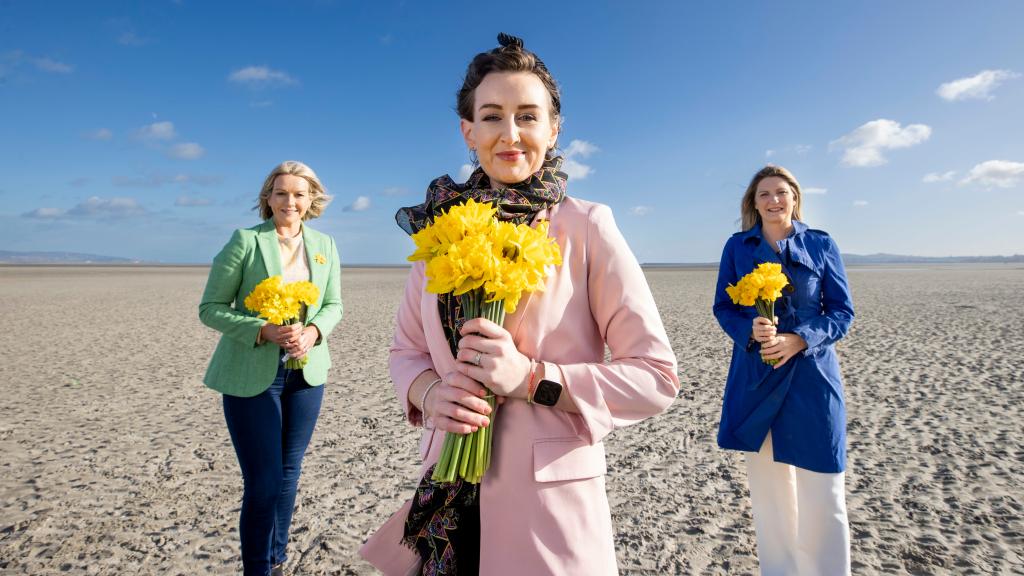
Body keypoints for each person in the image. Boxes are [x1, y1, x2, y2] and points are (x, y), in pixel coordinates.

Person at [359, 33, 679, 575]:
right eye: (492, 116)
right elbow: (406, 351)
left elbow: (655, 377)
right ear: (468, 132)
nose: (510, 134)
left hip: (548, 507)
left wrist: (533, 379)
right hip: (449, 497)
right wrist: (432, 393)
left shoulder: (586, 226)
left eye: (528, 116)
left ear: (553, 130)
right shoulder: (440, 229)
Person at [199, 160, 343, 576]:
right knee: (263, 481)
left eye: (299, 194)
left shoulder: (326, 245)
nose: (290, 201)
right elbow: (210, 309)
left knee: (288, 474)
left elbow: (334, 305)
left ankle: (277, 560)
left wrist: (313, 332)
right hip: (252, 377)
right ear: (268, 198)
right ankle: (257, 569)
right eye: (281, 193)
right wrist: (262, 329)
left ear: (311, 199)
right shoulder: (245, 242)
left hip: (306, 375)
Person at [712, 165, 855, 575]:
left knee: (823, 490)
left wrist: (801, 339)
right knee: (771, 496)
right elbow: (723, 307)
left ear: (795, 197)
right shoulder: (738, 247)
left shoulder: (822, 244)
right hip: (757, 377)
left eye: (781, 192)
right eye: (764, 195)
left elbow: (842, 313)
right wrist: (750, 329)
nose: (773, 201)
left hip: (813, 378)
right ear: (753, 204)